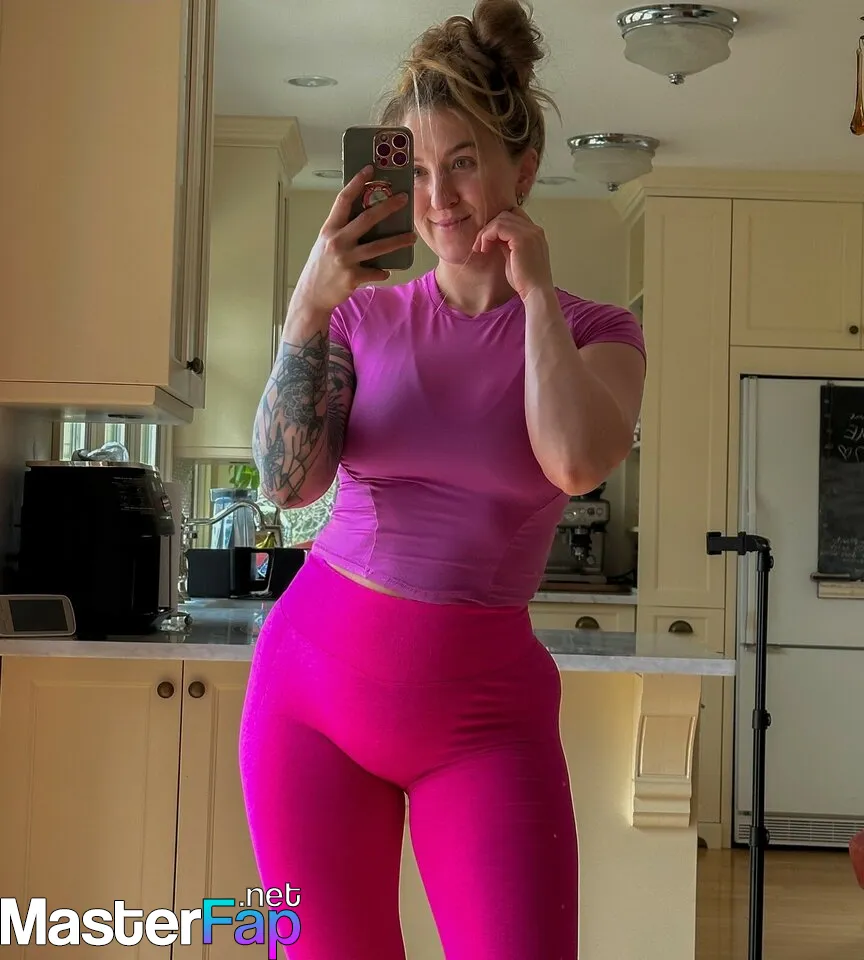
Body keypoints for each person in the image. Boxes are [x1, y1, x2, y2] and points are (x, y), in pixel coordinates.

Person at [239, 1, 646, 957]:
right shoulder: (359, 317)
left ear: (522, 170)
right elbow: (286, 485)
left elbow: (575, 460)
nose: (437, 198)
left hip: (484, 722)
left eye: (462, 162)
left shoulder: (598, 332)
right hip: (307, 701)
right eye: (416, 170)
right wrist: (306, 309)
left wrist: (536, 294)